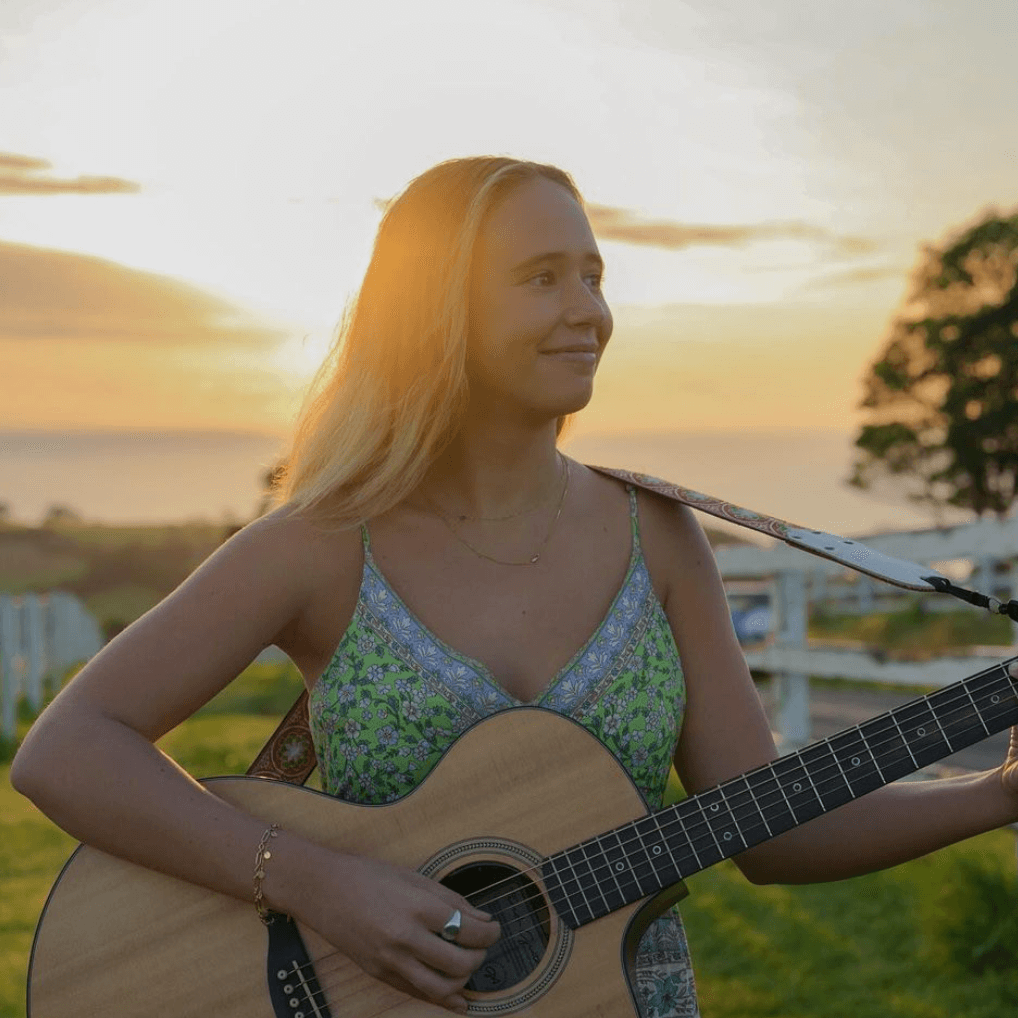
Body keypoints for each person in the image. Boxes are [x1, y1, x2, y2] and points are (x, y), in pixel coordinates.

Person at [12, 155, 1018, 1018]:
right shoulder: (321, 541)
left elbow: (769, 825)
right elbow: (67, 750)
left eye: (593, 274)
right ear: (438, 307)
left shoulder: (659, 535)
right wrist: (317, 882)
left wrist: (995, 793)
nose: (588, 310)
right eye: (542, 278)